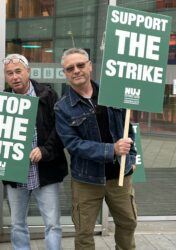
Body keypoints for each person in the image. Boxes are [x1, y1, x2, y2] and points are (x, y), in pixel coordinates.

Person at [54, 48, 138, 250]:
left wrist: (132, 158)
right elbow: (73, 144)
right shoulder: (62, 107)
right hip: (86, 180)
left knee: (128, 222)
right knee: (84, 232)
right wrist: (112, 150)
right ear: (65, 73)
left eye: (81, 65)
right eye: (70, 68)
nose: (76, 70)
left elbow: (128, 130)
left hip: (120, 175)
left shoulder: (113, 94)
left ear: (90, 66)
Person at [3, 54, 68, 250]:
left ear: (28, 71)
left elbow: (60, 129)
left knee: (53, 224)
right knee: (17, 224)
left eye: (18, 71)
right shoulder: (2, 100)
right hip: (16, 172)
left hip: (45, 169)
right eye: (9, 73)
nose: (14, 77)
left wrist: (45, 150)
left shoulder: (48, 95)